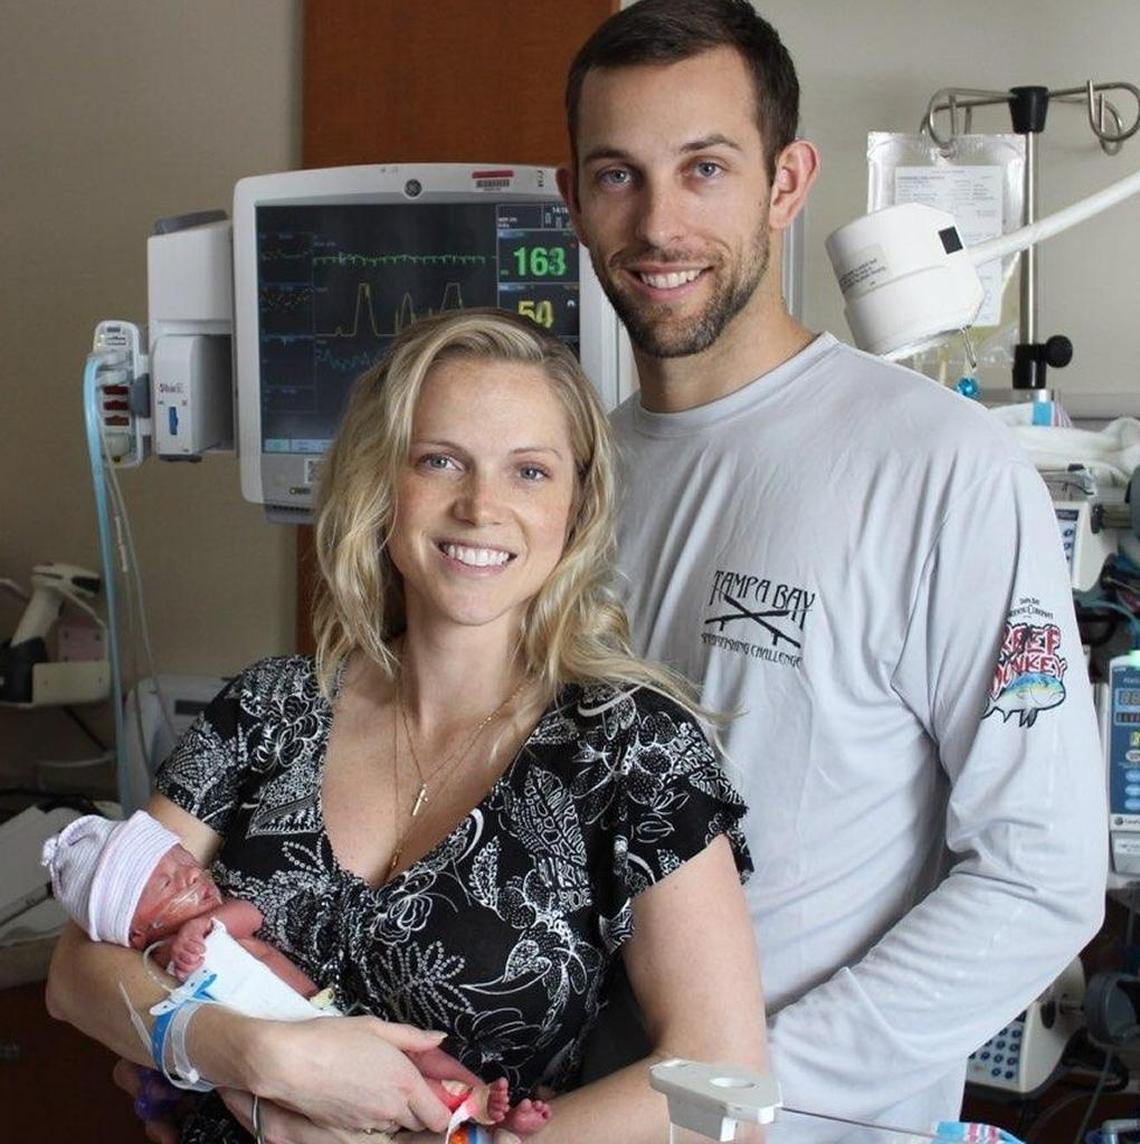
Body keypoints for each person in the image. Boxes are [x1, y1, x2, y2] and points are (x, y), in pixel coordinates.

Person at [556, 0, 1107, 1139]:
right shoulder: (561, 481)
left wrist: (719, 1097)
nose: (659, 224)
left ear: (788, 181)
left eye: (705, 168)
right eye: (618, 176)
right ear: (574, 200)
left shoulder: (936, 469)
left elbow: (1038, 880)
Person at [46, 307, 768, 1144]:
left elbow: (729, 1086)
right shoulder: (269, 710)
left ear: (577, 505)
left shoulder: (632, 748)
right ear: (383, 483)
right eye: (439, 461)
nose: (480, 506)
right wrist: (259, 1064)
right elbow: (76, 970)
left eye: (529, 472)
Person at [42, 810, 540, 1136]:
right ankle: (478, 1123)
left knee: (421, 1055)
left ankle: (481, 1097)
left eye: (186, 862)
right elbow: (90, 996)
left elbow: (251, 916)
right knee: (392, 1114)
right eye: (170, 881)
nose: (194, 875)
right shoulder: (150, 962)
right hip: (285, 1076)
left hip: (326, 1014)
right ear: (134, 931)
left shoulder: (220, 925)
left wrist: (203, 926)